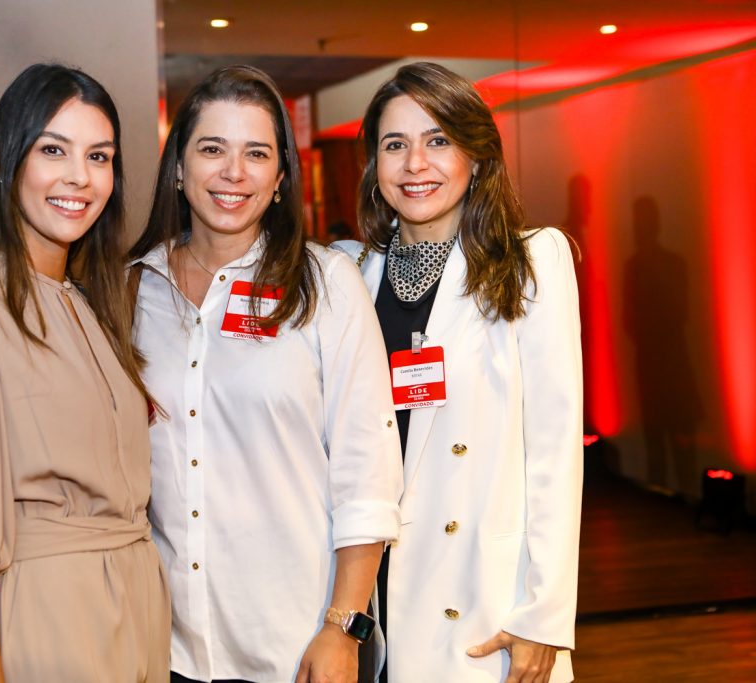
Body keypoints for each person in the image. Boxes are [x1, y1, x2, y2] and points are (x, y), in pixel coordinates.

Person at [0, 63, 170, 682]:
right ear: (0, 158)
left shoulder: (95, 305)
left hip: (138, 614)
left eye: (99, 156)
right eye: (53, 150)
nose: (79, 176)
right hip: (49, 617)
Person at [128, 65, 403, 683]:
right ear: (178, 166)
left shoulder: (327, 284)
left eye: (256, 153)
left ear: (281, 177)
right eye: (212, 149)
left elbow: (368, 472)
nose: (234, 172)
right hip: (165, 647)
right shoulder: (130, 290)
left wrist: (342, 628)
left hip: (299, 647)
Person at [334, 62, 583, 683]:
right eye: (396, 145)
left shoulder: (531, 262)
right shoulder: (349, 273)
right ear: (375, 167)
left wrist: (542, 616)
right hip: (375, 589)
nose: (416, 163)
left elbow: (555, 452)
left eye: (439, 139)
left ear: (477, 156)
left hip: (482, 598)